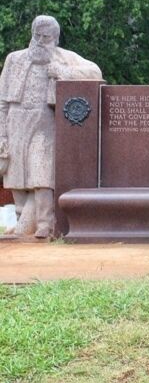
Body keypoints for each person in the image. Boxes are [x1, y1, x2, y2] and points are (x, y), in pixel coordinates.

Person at [0, 15, 101, 238]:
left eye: (45, 37)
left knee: (41, 171)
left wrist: (63, 72)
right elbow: (2, 102)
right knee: (17, 175)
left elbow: (95, 72)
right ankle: (22, 222)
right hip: (16, 121)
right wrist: (2, 135)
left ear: (55, 39)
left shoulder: (64, 58)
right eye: (37, 36)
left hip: (44, 121)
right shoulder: (14, 59)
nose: (39, 41)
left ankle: (45, 223)